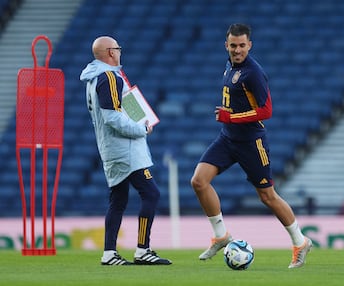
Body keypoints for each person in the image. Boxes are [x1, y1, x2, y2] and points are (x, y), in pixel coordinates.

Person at [190, 24, 312, 269]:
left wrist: (231, 117)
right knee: (198, 181)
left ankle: (300, 241)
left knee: (267, 196)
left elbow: (266, 111)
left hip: (251, 142)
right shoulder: (229, 66)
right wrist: (229, 121)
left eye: (242, 45)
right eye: (233, 45)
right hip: (227, 138)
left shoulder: (253, 72)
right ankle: (221, 235)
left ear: (249, 45)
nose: (237, 50)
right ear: (226, 45)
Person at [80, 36, 171, 266]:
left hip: (111, 147)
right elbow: (112, 117)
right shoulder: (109, 76)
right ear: (111, 52)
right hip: (124, 149)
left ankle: (109, 253)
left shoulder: (93, 78)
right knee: (151, 193)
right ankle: (143, 249)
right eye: (118, 49)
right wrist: (140, 129)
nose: (120, 52)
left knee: (118, 199)